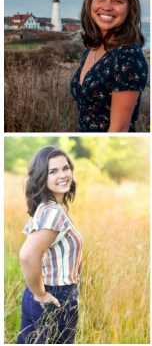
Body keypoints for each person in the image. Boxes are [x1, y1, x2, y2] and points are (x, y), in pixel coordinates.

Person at [17, 146, 83, 343]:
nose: (63, 175)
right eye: (53, 171)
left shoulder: (46, 207)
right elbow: (27, 255)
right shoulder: (53, 212)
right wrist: (41, 295)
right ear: (41, 177)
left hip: (42, 294)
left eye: (65, 168)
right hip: (55, 296)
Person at [70, 0, 148, 132]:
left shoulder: (128, 57)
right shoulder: (94, 48)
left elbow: (119, 129)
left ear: (130, 8)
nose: (106, 7)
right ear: (90, 1)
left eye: (117, 1)